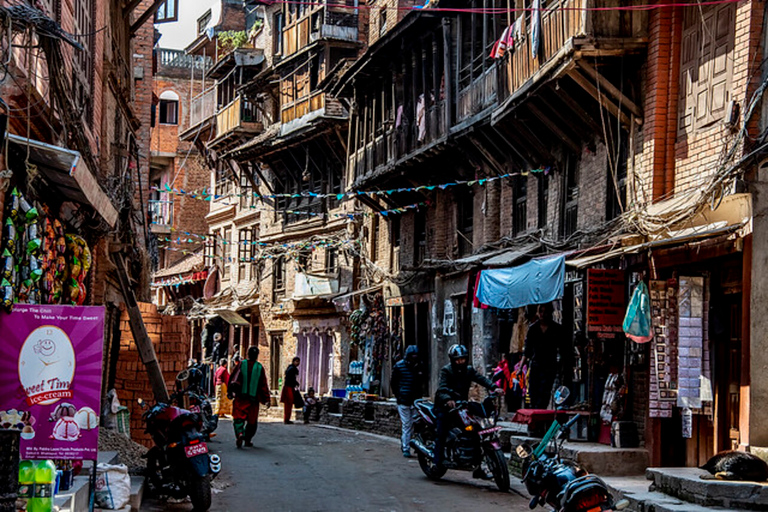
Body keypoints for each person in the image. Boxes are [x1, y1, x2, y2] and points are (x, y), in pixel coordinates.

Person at [433, 344, 501, 468]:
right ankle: (437, 461)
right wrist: (448, 399)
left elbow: (480, 379)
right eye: (457, 359)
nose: (460, 362)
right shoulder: (446, 371)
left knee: (474, 429)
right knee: (441, 433)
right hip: (445, 406)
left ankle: (476, 465)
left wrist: (494, 387)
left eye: (462, 359)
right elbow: (442, 388)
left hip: (462, 405)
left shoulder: (469, 370)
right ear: (452, 360)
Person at [520, 303, 567, 409]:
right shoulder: (533, 329)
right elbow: (527, 350)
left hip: (550, 366)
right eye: (541, 311)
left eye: (545, 312)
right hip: (536, 365)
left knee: (545, 393)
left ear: (550, 313)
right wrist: (520, 367)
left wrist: (562, 367)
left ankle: (541, 417)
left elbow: (562, 349)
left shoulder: (556, 329)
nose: (543, 314)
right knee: (534, 393)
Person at [228, 346, 270, 448]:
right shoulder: (259, 367)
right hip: (253, 399)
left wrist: (230, 392)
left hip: (241, 397)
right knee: (252, 421)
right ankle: (247, 439)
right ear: (257, 356)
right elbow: (263, 385)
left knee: (238, 418)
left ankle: (240, 434)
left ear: (247, 354)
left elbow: (233, 378)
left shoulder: (241, 364)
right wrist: (266, 399)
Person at [390, 345, 424, 457]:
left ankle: (416, 445)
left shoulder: (419, 366)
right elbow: (393, 383)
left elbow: (421, 383)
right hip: (404, 400)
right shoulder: (399, 367)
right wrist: (398, 396)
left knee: (416, 424)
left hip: (415, 401)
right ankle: (406, 447)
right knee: (407, 425)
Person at [280, 357, 301, 424]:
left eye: (298, 362)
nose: (298, 363)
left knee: (289, 404)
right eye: (296, 361)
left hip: (289, 387)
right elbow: (290, 379)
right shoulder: (291, 369)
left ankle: (287, 418)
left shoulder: (291, 368)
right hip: (288, 388)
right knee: (288, 404)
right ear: (293, 361)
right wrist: (295, 383)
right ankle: (286, 419)